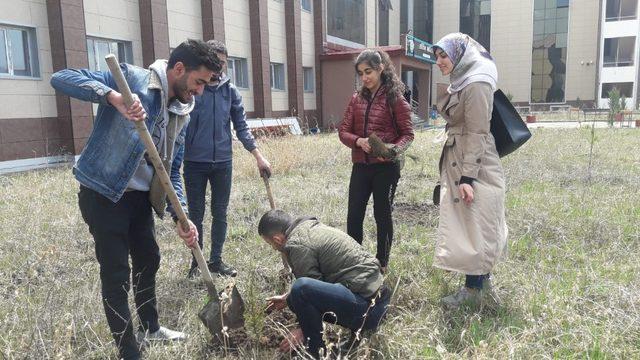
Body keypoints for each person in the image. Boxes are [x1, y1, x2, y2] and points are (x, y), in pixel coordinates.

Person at [50, 39, 221, 360]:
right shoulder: (132, 79)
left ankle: (151, 328)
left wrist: (181, 216)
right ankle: (129, 351)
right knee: (116, 272)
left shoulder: (182, 109)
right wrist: (112, 97)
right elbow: (61, 77)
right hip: (103, 193)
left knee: (148, 259)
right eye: (199, 82)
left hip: (140, 199)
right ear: (179, 69)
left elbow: (172, 167)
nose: (200, 91)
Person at [183, 40, 271, 278]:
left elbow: (241, 127)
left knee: (220, 213)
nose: (219, 67)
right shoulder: (193, 89)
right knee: (196, 214)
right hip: (194, 163)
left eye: (223, 62)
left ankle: (216, 261)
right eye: (215, 61)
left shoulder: (230, 91)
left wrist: (258, 156)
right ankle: (197, 263)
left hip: (223, 162)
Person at [432, 33, 508, 308]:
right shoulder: (463, 80)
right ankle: (479, 284)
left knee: (476, 224)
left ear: (461, 54)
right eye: (437, 56)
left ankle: (474, 290)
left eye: (444, 55)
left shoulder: (476, 83)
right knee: (471, 223)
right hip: (462, 158)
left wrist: (467, 177)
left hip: (474, 164)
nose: (439, 61)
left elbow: (477, 131)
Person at [258, 210, 391, 358]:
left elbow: (307, 291)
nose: (273, 248)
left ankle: (317, 353)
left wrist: (302, 329)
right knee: (296, 295)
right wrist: (287, 299)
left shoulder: (298, 245)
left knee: (300, 289)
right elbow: (319, 284)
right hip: (377, 299)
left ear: (277, 239)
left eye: (270, 244)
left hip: (370, 310)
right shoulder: (308, 228)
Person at [338, 49, 414, 273]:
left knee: (382, 214)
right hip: (361, 166)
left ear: (381, 68)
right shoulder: (356, 98)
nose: (365, 78)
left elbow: (408, 134)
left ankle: (382, 262)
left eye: (368, 71)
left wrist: (393, 150)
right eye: (361, 73)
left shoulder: (395, 99)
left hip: (386, 169)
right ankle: (354, 260)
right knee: (354, 215)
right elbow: (343, 131)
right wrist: (358, 141)